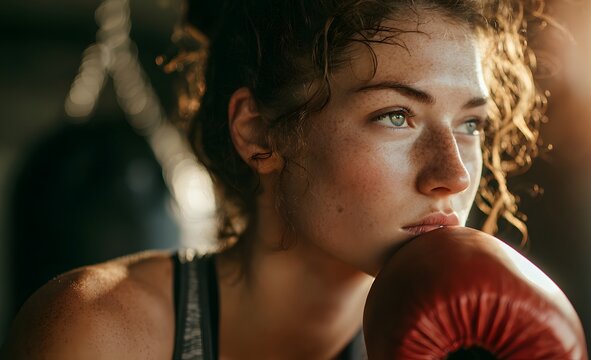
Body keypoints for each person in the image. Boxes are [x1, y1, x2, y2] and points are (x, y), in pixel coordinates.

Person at [1, 0, 548, 358]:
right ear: (260, 133)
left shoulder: (464, 341)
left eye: (470, 124)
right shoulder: (101, 334)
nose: (452, 174)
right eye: (395, 116)